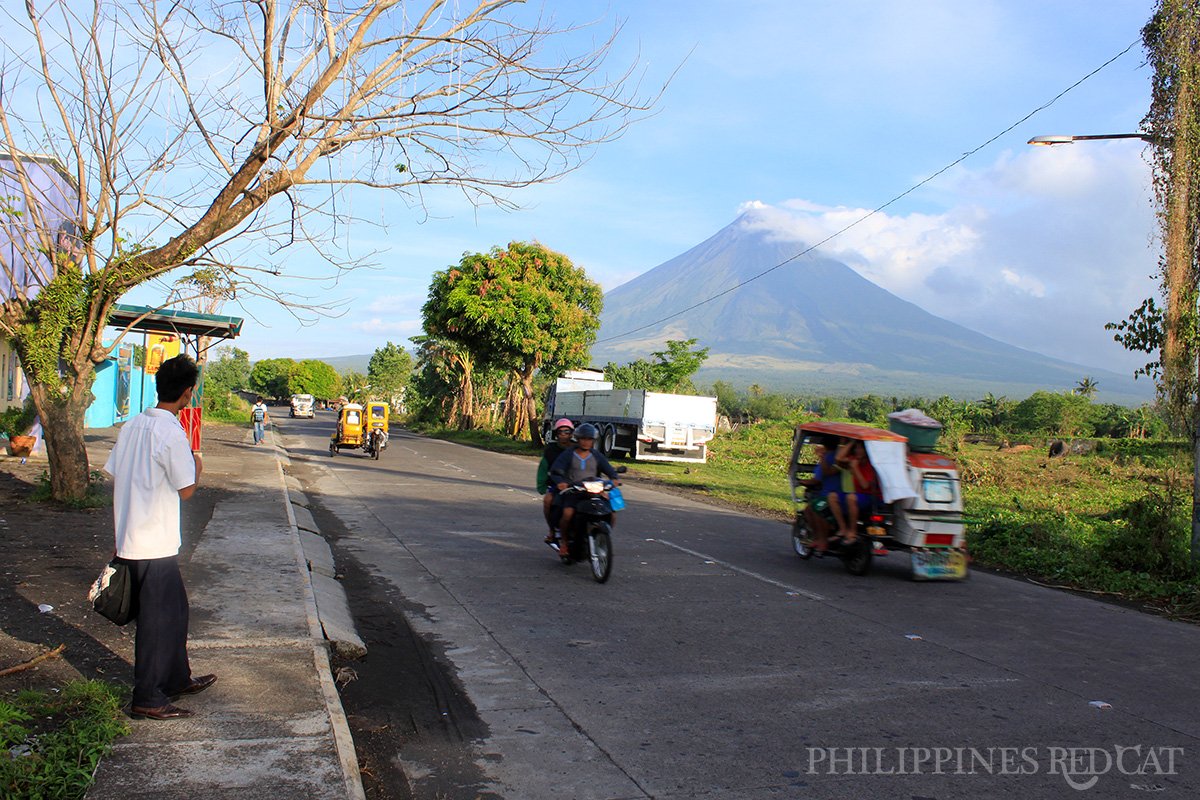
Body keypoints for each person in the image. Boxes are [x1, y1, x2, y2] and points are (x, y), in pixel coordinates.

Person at [103, 354, 216, 720]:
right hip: (154, 541)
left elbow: (113, 472)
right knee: (157, 621)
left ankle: (176, 677)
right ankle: (148, 697)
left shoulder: (133, 425)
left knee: (175, 611)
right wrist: (197, 466)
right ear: (187, 394)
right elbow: (186, 490)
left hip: (134, 535)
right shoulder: (170, 432)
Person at [548, 422, 621, 558]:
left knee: (611, 513)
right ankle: (563, 542)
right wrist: (562, 483)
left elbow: (609, 470)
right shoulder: (568, 454)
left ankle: (603, 538)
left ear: (593, 441)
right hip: (574, 492)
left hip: (595, 492)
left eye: (589, 439)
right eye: (584, 438)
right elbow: (555, 472)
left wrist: (614, 478)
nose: (586, 442)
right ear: (578, 439)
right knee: (568, 513)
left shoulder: (596, 455)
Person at [830, 439, 880, 544]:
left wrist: (855, 468)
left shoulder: (871, 464)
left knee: (851, 497)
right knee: (832, 496)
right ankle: (843, 528)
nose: (858, 451)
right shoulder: (854, 460)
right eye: (856, 448)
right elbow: (838, 458)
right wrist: (852, 441)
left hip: (872, 497)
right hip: (859, 496)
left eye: (860, 448)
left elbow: (865, 485)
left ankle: (853, 531)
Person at [538, 418, 575, 544]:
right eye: (561, 432)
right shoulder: (551, 450)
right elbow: (543, 467)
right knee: (548, 500)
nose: (564, 435)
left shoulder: (578, 448)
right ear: (556, 434)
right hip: (557, 485)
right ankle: (552, 531)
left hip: (577, 484)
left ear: (571, 433)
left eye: (567, 431)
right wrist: (542, 485)